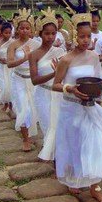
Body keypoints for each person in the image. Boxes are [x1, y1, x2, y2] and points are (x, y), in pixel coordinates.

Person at [52, 0, 102, 202]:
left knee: (97, 143)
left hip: (91, 107)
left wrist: (100, 95)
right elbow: (56, 85)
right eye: (81, 36)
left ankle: (94, 186)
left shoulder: (94, 57)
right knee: (75, 144)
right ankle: (74, 178)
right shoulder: (65, 60)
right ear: (74, 35)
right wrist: (70, 89)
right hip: (71, 107)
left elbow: (99, 80)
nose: (86, 40)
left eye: (88, 36)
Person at [29, 8, 65, 153]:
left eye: (53, 33)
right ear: (40, 34)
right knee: (48, 125)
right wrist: (53, 74)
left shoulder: (60, 52)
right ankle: (51, 152)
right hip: (43, 93)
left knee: (59, 125)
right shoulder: (34, 55)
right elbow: (34, 80)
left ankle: (57, 155)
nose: (50, 37)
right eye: (47, 34)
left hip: (58, 93)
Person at [7, 9, 41, 151]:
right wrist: (24, 59)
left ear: (31, 29)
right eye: (22, 28)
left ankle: (32, 134)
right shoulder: (13, 45)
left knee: (34, 109)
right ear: (17, 29)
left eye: (27, 28)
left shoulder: (36, 44)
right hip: (19, 79)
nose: (25, 31)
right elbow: (9, 63)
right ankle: (25, 139)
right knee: (23, 109)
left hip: (33, 80)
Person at [0, 22, 15, 115]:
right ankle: (5, 103)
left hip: (11, 67)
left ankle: (11, 105)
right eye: (6, 33)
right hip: (2, 67)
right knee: (4, 86)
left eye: (9, 33)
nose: (8, 35)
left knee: (11, 86)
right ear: (1, 33)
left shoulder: (14, 43)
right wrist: (1, 59)